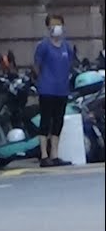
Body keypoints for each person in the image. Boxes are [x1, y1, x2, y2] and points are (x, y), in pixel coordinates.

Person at [32, 13, 74, 167]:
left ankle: (55, 155)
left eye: (58, 23)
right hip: (47, 89)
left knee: (58, 122)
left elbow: (70, 63)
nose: (56, 27)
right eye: (53, 24)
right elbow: (37, 66)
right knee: (45, 121)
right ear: (48, 27)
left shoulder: (66, 47)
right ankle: (44, 155)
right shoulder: (43, 46)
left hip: (62, 90)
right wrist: (41, 80)